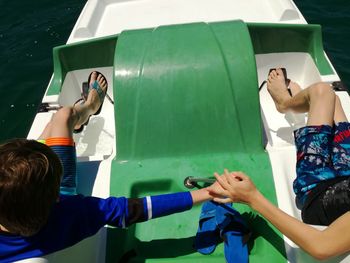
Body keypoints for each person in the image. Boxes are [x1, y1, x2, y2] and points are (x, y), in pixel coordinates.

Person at [0, 71, 227, 262]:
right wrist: (209, 191)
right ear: (56, 196)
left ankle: (81, 114)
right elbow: (139, 208)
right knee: (62, 116)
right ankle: (90, 105)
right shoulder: (76, 212)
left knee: (48, 131)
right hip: (59, 189)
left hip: (34, 198)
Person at [209, 68, 350, 260]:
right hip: (346, 176)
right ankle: (290, 104)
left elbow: (321, 246)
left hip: (318, 186)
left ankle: (285, 103)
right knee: (330, 96)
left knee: (320, 92)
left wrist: (252, 198)